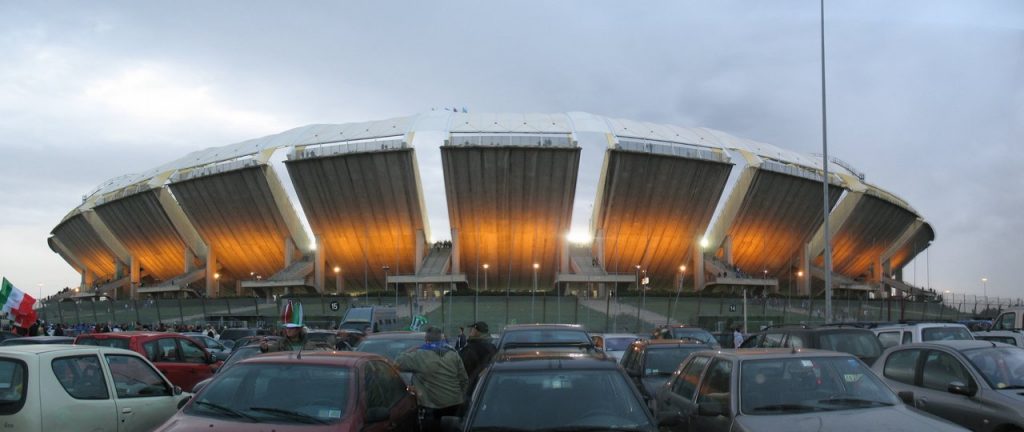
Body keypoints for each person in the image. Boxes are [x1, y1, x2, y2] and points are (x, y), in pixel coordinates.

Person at [396, 327, 468, 432]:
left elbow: (397, 363)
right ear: (441, 339)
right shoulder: (453, 354)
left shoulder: (418, 355)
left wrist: (410, 350)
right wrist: (459, 395)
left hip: (431, 409)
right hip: (455, 405)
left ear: (426, 339)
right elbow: (464, 380)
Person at [459, 321, 497, 388]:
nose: (470, 331)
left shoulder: (469, 349)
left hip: (471, 387)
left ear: (477, 332)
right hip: (489, 386)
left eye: (472, 329)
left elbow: (460, 369)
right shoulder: (493, 348)